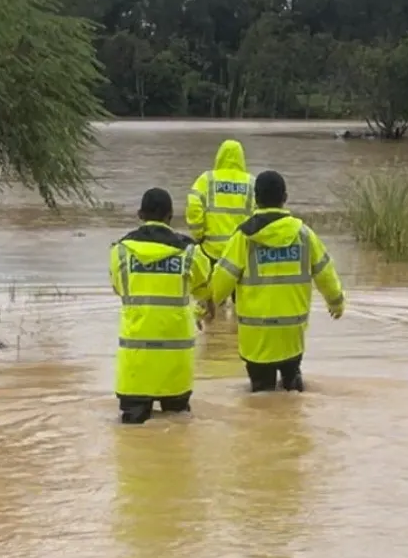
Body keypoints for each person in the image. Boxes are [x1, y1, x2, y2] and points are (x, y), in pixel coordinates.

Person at [208, 170, 344, 392]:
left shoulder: (244, 238)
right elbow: (325, 273)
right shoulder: (304, 234)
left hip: (257, 336)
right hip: (291, 333)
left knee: (261, 399)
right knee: (292, 391)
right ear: (285, 197)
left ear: (256, 199)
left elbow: (221, 280)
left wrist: (203, 309)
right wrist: (336, 302)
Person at [109, 188, 212, 424]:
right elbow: (204, 288)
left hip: (134, 368)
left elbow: (118, 288)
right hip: (176, 366)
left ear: (139, 214)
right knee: (178, 431)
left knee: (131, 439)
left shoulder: (120, 252)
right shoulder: (189, 253)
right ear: (170, 216)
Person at [186, 138, 254, 265]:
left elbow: (194, 207)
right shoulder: (251, 183)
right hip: (241, 254)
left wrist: (198, 235)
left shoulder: (206, 179)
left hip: (210, 251)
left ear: (219, 156)